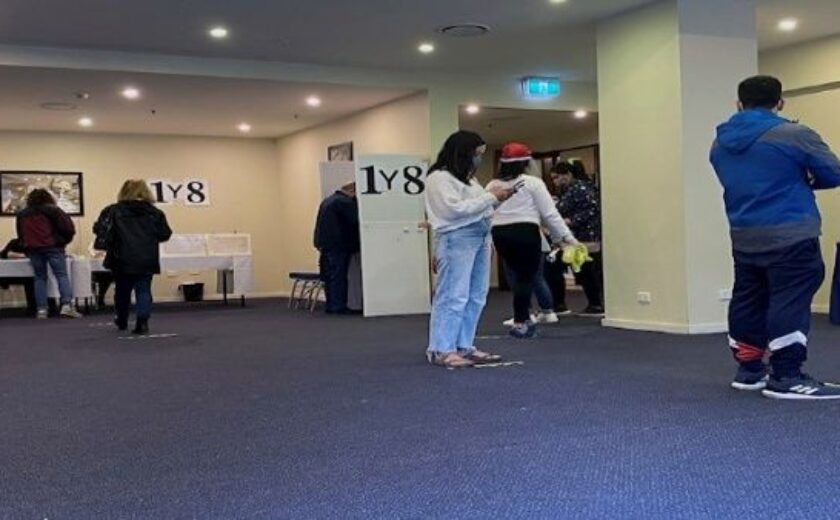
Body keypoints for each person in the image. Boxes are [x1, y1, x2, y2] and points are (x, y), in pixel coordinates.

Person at [710, 75, 840, 400]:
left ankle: (750, 370)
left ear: (739, 104)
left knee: (749, 297)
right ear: (780, 102)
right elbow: (833, 172)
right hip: (791, 231)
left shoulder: (719, 143)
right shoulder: (794, 134)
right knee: (790, 297)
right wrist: (805, 179)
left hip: (744, 233)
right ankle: (786, 376)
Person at [425, 130, 512, 368]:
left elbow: (479, 208)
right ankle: (442, 348)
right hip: (457, 237)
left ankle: (463, 345)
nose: (479, 159)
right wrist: (491, 197)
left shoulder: (469, 179)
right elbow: (452, 211)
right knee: (453, 295)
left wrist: (497, 200)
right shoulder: (439, 178)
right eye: (477, 153)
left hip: (480, 236)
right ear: (463, 153)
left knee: (476, 296)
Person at [486, 142, 578, 339]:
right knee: (527, 277)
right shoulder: (533, 183)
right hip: (525, 230)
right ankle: (522, 321)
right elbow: (550, 214)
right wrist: (568, 239)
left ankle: (522, 317)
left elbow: (486, 212)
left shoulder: (493, 185)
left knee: (516, 275)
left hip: (500, 233)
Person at [95, 179, 172, 335]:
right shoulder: (155, 213)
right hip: (146, 256)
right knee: (143, 290)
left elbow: (100, 229)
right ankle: (142, 322)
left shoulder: (112, 211)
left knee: (122, 291)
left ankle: (122, 318)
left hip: (120, 256)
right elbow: (165, 234)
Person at [15, 188, 80, 319]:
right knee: (61, 275)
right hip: (53, 247)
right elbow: (68, 228)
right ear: (48, 198)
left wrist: (26, 247)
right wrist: (63, 242)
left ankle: (42, 309)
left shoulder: (22, 214)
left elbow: (20, 234)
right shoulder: (54, 210)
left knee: (39, 278)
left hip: (33, 249)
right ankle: (66, 306)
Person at [551, 161, 604, 316]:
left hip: (584, 237)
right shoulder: (570, 190)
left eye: (557, 177)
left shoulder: (580, 189)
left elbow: (592, 210)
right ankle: (561, 304)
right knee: (571, 269)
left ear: (568, 174)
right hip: (574, 237)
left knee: (585, 271)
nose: (555, 181)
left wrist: (570, 220)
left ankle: (595, 304)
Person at [313, 182, 361, 314]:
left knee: (330, 276)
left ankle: (331, 304)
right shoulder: (345, 202)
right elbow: (355, 220)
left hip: (326, 245)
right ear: (352, 191)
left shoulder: (327, 201)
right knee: (339, 276)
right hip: (339, 245)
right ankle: (338, 306)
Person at [0, 237, 37, 315]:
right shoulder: (14, 242)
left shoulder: (33, 243)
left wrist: (18, 255)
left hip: (26, 276)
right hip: (8, 275)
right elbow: (5, 254)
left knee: (30, 280)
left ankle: (33, 307)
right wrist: (23, 255)